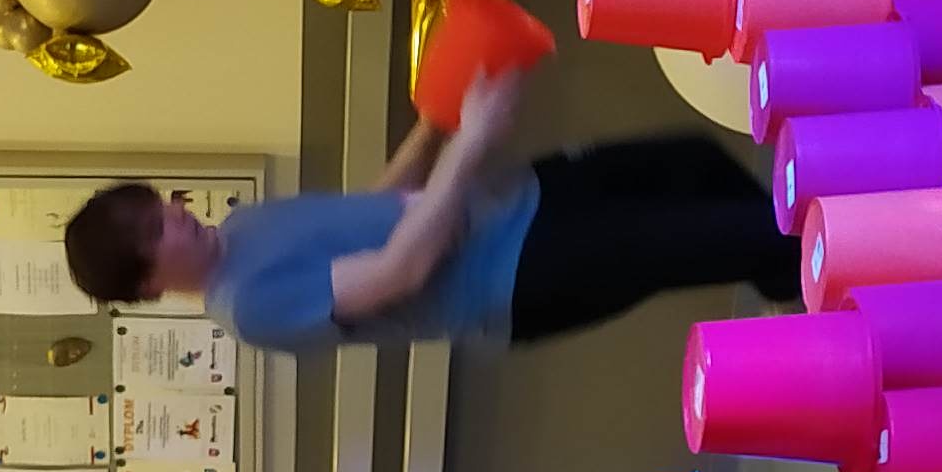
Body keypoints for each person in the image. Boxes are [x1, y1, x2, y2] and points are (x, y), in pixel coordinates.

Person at [60, 66, 798, 352]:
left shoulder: (242, 228)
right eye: (156, 230)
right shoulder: (249, 307)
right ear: (150, 283)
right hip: (519, 276)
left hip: (519, 202)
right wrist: (471, 141)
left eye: (159, 206)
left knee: (693, 161)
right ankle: (839, 279)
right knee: (738, 234)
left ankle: (792, 281)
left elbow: (381, 208)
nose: (176, 215)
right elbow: (399, 271)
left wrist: (433, 124)